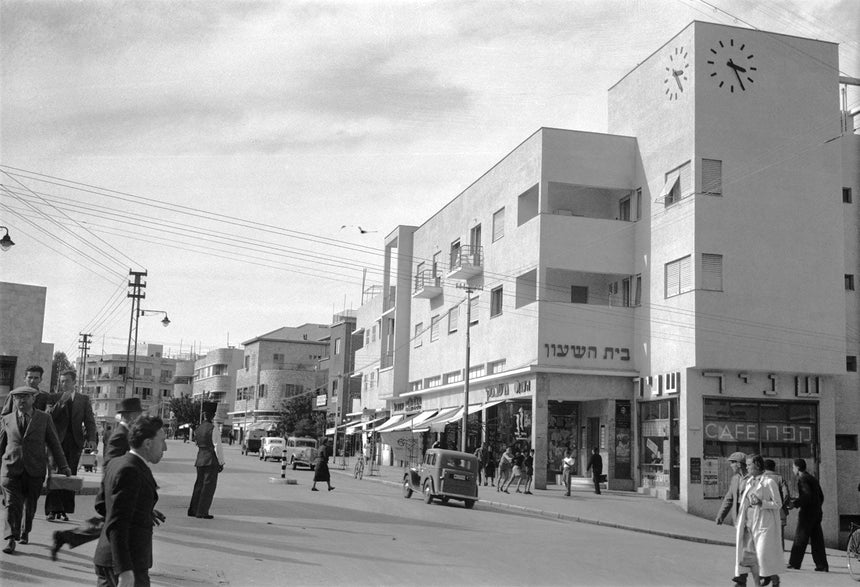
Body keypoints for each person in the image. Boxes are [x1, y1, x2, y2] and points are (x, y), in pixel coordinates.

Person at [51, 397, 146, 560]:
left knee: (110, 523)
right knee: (115, 523)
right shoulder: (119, 436)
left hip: (119, 489)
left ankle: (66, 537)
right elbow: (111, 464)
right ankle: (118, 560)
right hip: (116, 489)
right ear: (129, 416)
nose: (140, 419)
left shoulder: (125, 434)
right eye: (138, 415)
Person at [93, 415, 167, 587]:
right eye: (162, 441)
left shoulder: (118, 462)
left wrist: (142, 510)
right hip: (126, 563)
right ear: (148, 443)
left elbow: (102, 505)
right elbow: (117, 523)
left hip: (113, 559)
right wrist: (124, 571)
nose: (165, 447)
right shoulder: (131, 471)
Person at [0, 386, 71, 554]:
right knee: (11, 504)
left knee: (30, 505)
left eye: (25, 397)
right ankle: (10, 538)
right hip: (11, 468)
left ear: (33, 399)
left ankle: (25, 530)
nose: (21, 401)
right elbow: (1, 444)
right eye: (17, 398)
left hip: (35, 469)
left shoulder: (44, 418)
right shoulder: (7, 419)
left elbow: (54, 443)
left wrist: (64, 466)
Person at [46, 369, 97, 521]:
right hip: (56, 442)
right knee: (55, 474)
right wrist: (61, 402)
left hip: (75, 442)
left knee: (70, 475)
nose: (64, 384)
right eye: (61, 381)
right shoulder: (53, 397)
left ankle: (64, 509)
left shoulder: (83, 399)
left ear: (74, 382)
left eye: (67, 381)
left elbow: (89, 421)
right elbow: (48, 416)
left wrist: (92, 438)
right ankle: (52, 509)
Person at [734, 454, 783, 587]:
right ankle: (756, 583)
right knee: (751, 559)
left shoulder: (769, 482)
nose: (747, 467)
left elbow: (778, 504)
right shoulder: (749, 482)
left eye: (749, 465)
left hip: (764, 525)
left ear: (757, 465)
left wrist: (763, 503)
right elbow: (744, 503)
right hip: (749, 524)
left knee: (762, 556)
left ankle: (774, 578)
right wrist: (740, 521)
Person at [787, 458, 829, 572]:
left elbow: (806, 495)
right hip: (817, 512)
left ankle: (794, 563)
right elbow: (821, 496)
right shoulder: (812, 478)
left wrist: (795, 504)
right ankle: (822, 565)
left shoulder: (803, 479)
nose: (792, 469)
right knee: (817, 540)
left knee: (800, 537)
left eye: (793, 467)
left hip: (807, 513)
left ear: (798, 468)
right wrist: (817, 507)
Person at [188, 406, 225, 518]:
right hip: (210, 460)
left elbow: (196, 443)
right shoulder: (213, 429)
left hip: (200, 459)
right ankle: (202, 512)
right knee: (208, 487)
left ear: (203, 415)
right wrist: (221, 462)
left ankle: (193, 510)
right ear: (212, 416)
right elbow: (217, 446)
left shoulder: (198, 429)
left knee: (198, 485)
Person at [763, 459, 791, 552]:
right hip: (779, 511)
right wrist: (783, 504)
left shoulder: (760, 478)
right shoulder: (780, 478)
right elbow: (786, 494)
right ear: (774, 467)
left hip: (764, 510)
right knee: (779, 535)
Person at [716, 451, 748, 526]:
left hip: (750, 516)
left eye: (732, 463)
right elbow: (729, 498)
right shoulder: (735, 479)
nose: (731, 466)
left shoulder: (752, 478)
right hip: (738, 516)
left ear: (739, 464)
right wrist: (721, 515)